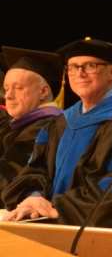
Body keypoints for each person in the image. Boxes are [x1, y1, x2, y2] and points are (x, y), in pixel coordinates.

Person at [1, 38, 112, 228]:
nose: (80, 73)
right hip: (49, 223)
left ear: (111, 71)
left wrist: (57, 209)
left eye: (90, 66)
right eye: (73, 67)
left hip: (95, 234)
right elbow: (37, 169)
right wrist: (34, 199)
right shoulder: (63, 122)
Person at [0, 49, 65, 191]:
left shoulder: (47, 126)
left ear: (43, 92)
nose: (8, 96)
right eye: (6, 89)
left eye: (18, 88)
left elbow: (8, 175)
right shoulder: (11, 124)